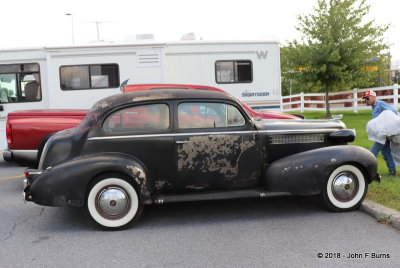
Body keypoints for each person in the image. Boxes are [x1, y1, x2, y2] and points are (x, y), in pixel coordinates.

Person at [363, 90, 398, 176]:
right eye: (365, 99)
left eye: (368, 98)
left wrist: (385, 121)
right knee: (386, 153)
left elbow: (394, 111)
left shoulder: (380, 104)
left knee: (372, 152)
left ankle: (364, 171)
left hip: (383, 134)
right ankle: (392, 172)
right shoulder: (374, 107)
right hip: (382, 135)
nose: (366, 101)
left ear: (374, 97)